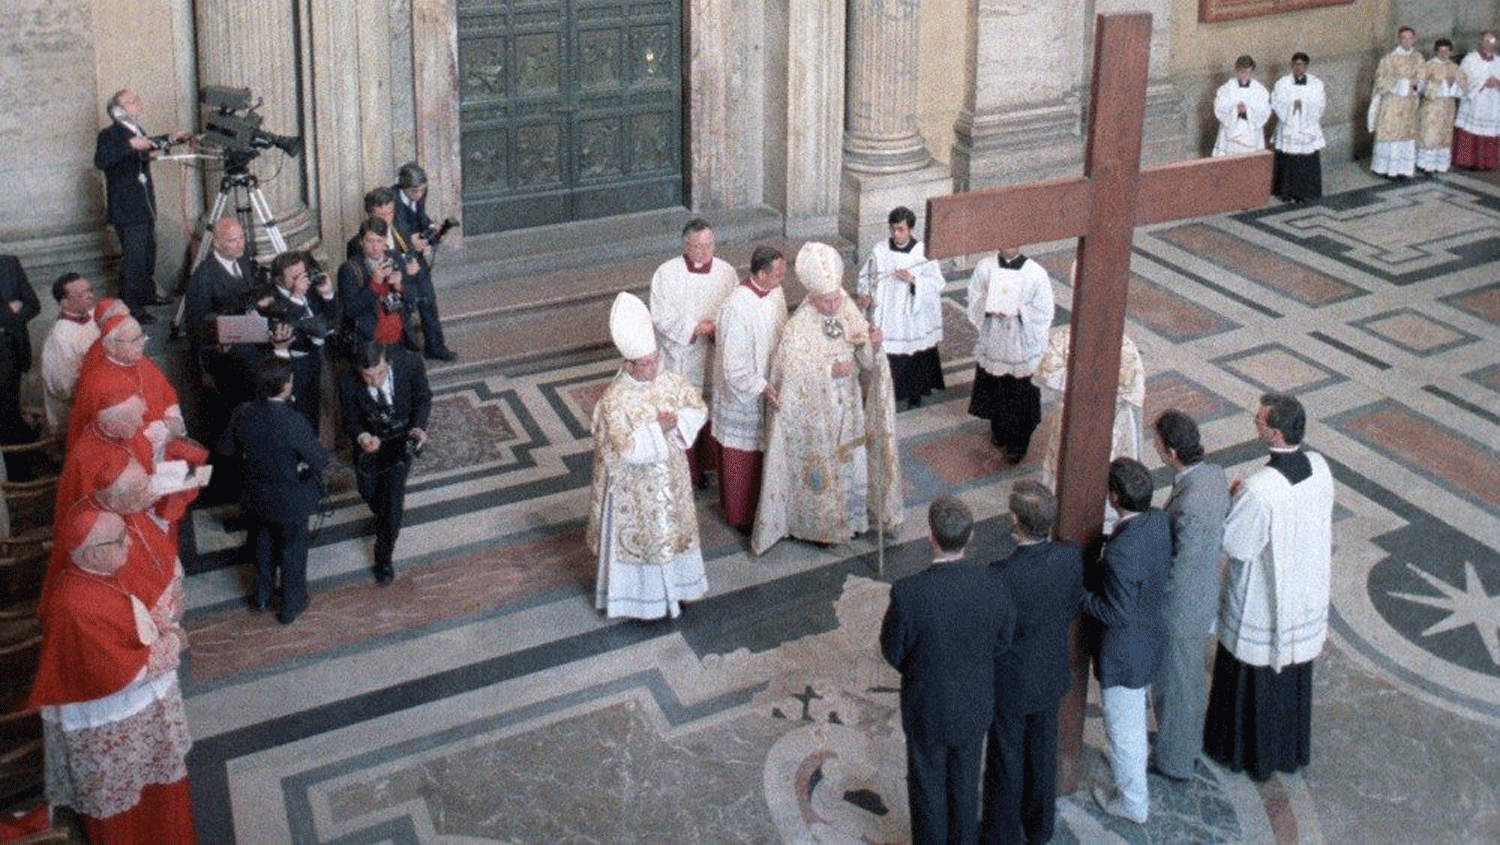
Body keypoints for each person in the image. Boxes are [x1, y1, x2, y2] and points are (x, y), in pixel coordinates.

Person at [26, 507, 194, 844]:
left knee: (154, 790)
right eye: (120, 540)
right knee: (122, 810)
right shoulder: (75, 604)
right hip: (109, 716)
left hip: (130, 709)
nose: (130, 544)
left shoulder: (96, 573)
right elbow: (116, 672)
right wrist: (173, 642)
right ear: (91, 552)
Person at [1204, 393, 1334, 782]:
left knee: (1252, 679)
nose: (1255, 425)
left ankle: (1245, 752)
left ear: (1275, 434)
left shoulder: (1260, 490)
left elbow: (1237, 545)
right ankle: (1287, 750)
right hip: (1304, 588)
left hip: (1264, 601)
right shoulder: (1319, 466)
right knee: (1290, 676)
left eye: (1259, 422)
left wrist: (1233, 501)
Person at [751, 241, 902, 555]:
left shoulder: (846, 306)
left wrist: (872, 344)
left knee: (850, 462)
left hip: (848, 408)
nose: (833, 307)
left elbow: (866, 362)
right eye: (826, 301)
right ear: (811, 296)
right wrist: (829, 370)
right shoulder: (799, 326)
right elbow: (790, 372)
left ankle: (851, 519)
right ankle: (820, 526)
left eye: (836, 298)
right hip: (816, 421)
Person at [881, 496, 1015, 845]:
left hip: (927, 705)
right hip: (974, 703)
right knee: (966, 784)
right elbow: (1003, 640)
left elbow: (892, 652)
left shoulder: (908, 593)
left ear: (931, 537)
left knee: (926, 787)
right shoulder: (993, 584)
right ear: (971, 536)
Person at [587, 292, 709, 619]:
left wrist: (679, 422)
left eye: (655, 360)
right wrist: (658, 428)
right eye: (646, 363)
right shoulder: (615, 400)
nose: (653, 368)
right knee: (646, 543)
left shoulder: (668, 380)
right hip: (635, 492)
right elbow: (624, 448)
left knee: (673, 535)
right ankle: (641, 603)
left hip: (671, 480)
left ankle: (680, 591)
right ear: (628, 364)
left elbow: (696, 407)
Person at [980, 480, 1083, 845]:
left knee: (1006, 758)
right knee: (1042, 753)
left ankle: (1000, 834)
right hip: (1050, 671)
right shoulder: (1069, 556)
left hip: (1010, 681)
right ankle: (1040, 828)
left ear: (1014, 520)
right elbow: (1073, 603)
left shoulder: (999, 575)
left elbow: (992, 635)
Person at [1081, 457, 1171, 825]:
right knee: (1129, 723)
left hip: (1123, 653)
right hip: (1149, 635)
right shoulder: (1157, 521)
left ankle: (1133, 802)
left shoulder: (1120, 553)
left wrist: (1079, 595)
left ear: (1115, 496)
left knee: (1125, 730)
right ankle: (1128, 777)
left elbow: (1113, 613)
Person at [1149, 410, 1229, 783]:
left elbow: (1184, 565)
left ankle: (1176, 761)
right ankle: (1179, 745)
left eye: (1158, 442)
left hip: (1182, 605)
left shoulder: (1194, 501)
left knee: (1177, 686)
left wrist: (1152, 596)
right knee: (1187, 680)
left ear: (1172, 451)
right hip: (1201, 594)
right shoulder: (1212, 475)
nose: (1155, 447)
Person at [219, 359, 329, 624]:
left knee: (261, 546)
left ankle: (262, 596)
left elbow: (225, 450)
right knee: (292, 550)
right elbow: (320, 460)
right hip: (290, 499)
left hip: (255, 495)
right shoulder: (293, 420)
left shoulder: (242, 412)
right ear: (284, 387)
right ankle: (291, 605)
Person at [648, 218, 738, 486]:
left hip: (711, 354)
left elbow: (733, 311)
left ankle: (707, 467)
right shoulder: (666, 273)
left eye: (709, 244)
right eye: (698, 246)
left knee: (710, 409)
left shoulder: (727, 272)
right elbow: (660, 315)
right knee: (682, 411)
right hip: (681, 356)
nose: (705, 250)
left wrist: (715, 328)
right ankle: (686, 472)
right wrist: (693, 328)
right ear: (686, 245)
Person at [338, 341, 431, 585]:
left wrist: (418, 427)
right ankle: (387, 516)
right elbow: (350, 418)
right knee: (369, 492)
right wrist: (363, 437)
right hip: (370, 445)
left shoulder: (410, 364)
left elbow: (423, 397)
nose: (375, 381)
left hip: (401, 442)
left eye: (380, 373)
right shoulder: (347, 381)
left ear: (387, 362)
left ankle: (384, 557)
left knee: (392, 499)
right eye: (368, 377)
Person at [709, 246, 788, 531]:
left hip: (770, 384)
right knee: (742, 455)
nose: (783, 277)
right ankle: (740, 515)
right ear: (763, 274)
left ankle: (765, 508)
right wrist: (761, 386)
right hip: (743, 395)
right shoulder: (736, 307)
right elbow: (733, 365)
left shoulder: (775, 293)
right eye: (779, 273)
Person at [93, 89, 187, 324]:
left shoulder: (137, 131)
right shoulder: (110, 134)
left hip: (144, 206)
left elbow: (147, 144)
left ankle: (146, 295)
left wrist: (171, 138)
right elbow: (101, 160)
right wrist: (130, 146)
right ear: (117, 110)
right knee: (134, 259)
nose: (137, 102)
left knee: (147, 253)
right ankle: (131, 307)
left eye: (137, 98)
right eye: (130, 100)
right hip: (127, 209)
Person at [967, 246, 1054, 464]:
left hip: (1020, 344)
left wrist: (1019, 310)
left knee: (1019, 394)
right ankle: (999, 430)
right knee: (995, 386)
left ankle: (1019, 442)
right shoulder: (985, 266)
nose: (1008, 243)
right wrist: (986, 308)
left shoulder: (1035, 272)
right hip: (995, 338)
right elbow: (974, 296)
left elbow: (1044, 311)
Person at [856, 206, 946, 410]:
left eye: (900, 229)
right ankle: (889, 392)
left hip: (911, 315)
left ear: (910, 228)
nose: (896, 234)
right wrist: (866, 293)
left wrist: (914, 280)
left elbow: (938, 283)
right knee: (889, 354)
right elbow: (866, 276)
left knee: (913, 355)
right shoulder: (880, 249)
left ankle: (915, 393)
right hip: (887, 314)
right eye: (893, 229)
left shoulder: (923, 252)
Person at [65, 313, 185, 453]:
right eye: (134, 341)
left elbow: (168, 396)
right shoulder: (98, 383)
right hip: (123, 456)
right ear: (112, 346)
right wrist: (164, 428)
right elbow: (118, 435)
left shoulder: (143, 363)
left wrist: (175, 418)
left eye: (142, 337)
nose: (141, 344)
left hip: (165, 441)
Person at [183, 218, 259, 429]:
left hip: (250, 337)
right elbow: (196, 324)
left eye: (242, 237)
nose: (241, 244)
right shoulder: (204, 276)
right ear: (216, 244)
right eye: (232, 240)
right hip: (225, 354)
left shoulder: (243, 261)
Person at [390, 162, 457, 361]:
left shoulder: (417, 196)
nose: (419, 195)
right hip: (400, 259)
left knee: (428, 300)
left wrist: (433, 231)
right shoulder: (392, 199)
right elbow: (393, 231)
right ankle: (407, 351)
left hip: (417, 259)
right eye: (415, 191)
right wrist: (410, 243)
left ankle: (435, 346)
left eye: (422, 190)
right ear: (405, 188)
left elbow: (421, 218)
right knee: (405, 305)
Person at [266, 250, 337, 434]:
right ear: (279, 279)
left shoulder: (310, 289)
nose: (302, 280)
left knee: (313, 406)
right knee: (297, 411)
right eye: (295, 276)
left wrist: (328, 294)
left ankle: (311, 447)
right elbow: (285, 326)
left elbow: (330, 319)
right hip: (293, 364)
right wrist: (296, 297)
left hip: (315, 358)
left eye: (303, 274)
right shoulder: (272, 301)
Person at [339, 216, 414, 350]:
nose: (375, 247)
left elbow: (412, 299)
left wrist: (399, 287)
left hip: (399, 337)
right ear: (361, 242)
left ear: (386, 241)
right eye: (370, 241)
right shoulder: (349, 269)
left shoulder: (395, 257)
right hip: (371, 343)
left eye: (379, 241)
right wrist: (375, 284)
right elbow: (351, 310)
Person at [41, 272, 99, 435]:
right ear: (65, 302)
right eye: (82, 294)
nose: (90, 296)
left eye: (90, 290)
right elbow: (63, 388)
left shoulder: (96, 315)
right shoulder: (61, 336)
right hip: (80, 412)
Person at [1270, 52, 1327, 201]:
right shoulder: (1282, 83)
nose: (1298, 67)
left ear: (1306, 66)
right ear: (1292, 65)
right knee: (1289, 160)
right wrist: (1291, 106)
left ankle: (1307, 192)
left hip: (1307, 126)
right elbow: (1276, 102)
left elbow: (1319, 104)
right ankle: (1287, 192)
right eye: (1295, 64)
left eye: (1301, 64)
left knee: (1306, 160)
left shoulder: (1316, 84)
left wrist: (1303, 106)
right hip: (1289, 125)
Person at [1370, 27, 1425, 179]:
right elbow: (1380, 81)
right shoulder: (1389, 58)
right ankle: (1387, 170)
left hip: (1409, 104)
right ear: (1398, 40)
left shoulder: (1418, 58)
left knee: (1406, 136)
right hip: (1392, 104)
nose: (1407, 41)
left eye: (1410, 38)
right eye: (1403, 38)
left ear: (1414, 39)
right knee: (1391, 136)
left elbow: (1423, 80)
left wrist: (1417, 84)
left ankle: (1404, 169)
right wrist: (1405, 82)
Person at [0, 253, 41, 443]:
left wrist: (5, 318)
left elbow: (33, 306)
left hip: (12, 347)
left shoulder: (9, 263)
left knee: (11, 406)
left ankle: (18, 457)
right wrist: (10, 309)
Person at [1417, 39, 1468, 174]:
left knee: (1444, 136)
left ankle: (1440, 164)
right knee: (1429, 135)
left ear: (1451, 52)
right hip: (1432, 108)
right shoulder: (1428, 66)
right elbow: (1422, 88)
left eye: (1446, 51)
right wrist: (1444, 84)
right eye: (1441, 51)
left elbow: (1464, 88)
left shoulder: (1455, 68)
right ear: (1436, 51)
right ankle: (1425, 164)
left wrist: (1453, 85)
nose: (1443, 54)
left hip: (1448, 108)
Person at [1453, 30, 1500, 171]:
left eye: (1492, 40)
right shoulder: (1470, 58)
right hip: (1476, 100)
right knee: (1472, 129)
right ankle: (1469, 161)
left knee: (1489, 130)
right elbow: (1463, 78)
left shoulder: (1499, 60)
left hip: (1492, 102)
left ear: (1497, 43)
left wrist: (1497, 82)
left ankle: (1487, 162)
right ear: (1480, 41)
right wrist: (1483, 82)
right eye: (1486, 40)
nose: (1489, 43)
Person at [1212, 55, 1272, 157]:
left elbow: (1264, 112)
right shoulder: (1226, 89)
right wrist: (1235, 110)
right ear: (1236, 70)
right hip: (1230, 137)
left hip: (1251, 135)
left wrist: (1247, 111)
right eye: (1241, 71)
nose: (1244, 74)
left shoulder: (1260, 91)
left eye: (1247, 72)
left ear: (1252, 72)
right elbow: (1219, 109)